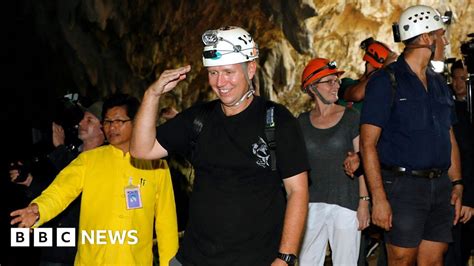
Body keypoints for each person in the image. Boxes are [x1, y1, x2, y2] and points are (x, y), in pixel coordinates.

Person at [130, 26, 310, 266]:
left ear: (251, 69)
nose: (220, 82)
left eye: (228, 72)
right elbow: (141, 150)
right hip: (194, 259)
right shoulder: (198, 119)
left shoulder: (277, 120)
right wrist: (152, 95)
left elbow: (297, 191)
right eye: (213, 73)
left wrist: (285, 257)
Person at [10, 93, 178, 266]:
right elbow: (61, 190)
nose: (112, 127)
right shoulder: (89, 160)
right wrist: (40, 209)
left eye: (119, 121)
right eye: (107, 122)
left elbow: (167, 226)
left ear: (136, 122)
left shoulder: (156, 166)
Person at [360, 4, 463, 265]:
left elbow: (448, 135)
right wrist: (378, 199)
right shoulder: (386, 81)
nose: (446, 41)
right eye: (441, 35)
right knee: (402, 260)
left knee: (434, 260)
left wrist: (457, 183)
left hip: (440, 186)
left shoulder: (439, 83)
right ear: (427, 38)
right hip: (402, 187)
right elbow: (368, 143)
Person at [297, 58, 370, 265]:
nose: (336, 85)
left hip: (345, 203)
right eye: (329, 81)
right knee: (307, 262)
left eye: (336, 80)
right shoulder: (301, 122)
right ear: (312, 87)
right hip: (311, 204)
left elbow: (363, 160)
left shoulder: (351, 117)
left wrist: (364, 202)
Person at [445, 59, 474, 266]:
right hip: (457, 190)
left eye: (463, 79)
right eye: (455, 78)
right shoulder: (449, 107)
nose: (458, 83)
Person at [338, 37, 397, 111]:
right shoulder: (346, 83)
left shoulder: (382, 92)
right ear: (369, 64)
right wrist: (383, 70)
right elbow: (356, 95)